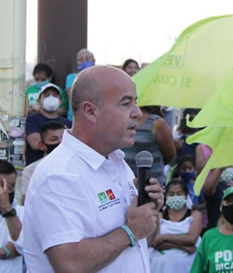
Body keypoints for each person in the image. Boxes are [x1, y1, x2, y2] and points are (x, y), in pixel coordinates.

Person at [23, 66, 164, 272]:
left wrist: (150, 213)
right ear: (90, 111)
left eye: (136, 101)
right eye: (126, 103)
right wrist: (130, 230)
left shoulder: (118, 163)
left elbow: (142, 243)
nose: (137, 112)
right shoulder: (58, 175)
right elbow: (69, 264)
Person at [149, 179, 202, 272]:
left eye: (179, 193)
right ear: (166, 196)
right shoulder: (159, 216)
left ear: (186, 195)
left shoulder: (195, 215)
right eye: (171, 194)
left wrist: (164, 238)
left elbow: (192, 239)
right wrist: (184, 246)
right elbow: (154, 242)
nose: (175, 196)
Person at [122, 105, 176, 187]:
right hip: (125, 184)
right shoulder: (120, 120)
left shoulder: (157, 123)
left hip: (151, 186)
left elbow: (170, 154)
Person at [24, 83, 72, 165]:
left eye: (55, 95)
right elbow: (35, 144)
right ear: (39, 101)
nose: (51, 98)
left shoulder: (68, 123)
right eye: (46, 95)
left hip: (62, 166)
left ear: (60, 101)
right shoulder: (33, 119)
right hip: (36, 166)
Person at [21, 121, 65, 205]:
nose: (61, 142)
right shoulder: (31, 170)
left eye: (64, 138)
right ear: (42, 145)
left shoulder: (80, 166)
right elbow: (26, 202)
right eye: (54, 139)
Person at [0, 161, 24, 273]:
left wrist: (7, 209)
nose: (6, 192)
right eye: (2, 186)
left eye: (11, 187)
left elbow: (20, 245)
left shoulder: (22, 212)